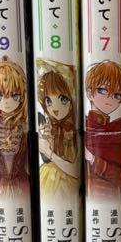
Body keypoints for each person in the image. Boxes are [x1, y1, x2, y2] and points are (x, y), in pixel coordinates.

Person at [84, 60, 121, 198]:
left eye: (116, 95)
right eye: (102, 90)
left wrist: (92, 159)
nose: (109, 98)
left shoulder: (119, 131)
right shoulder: (82, 126)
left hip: (110, 196)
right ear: (89, 92)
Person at [36, 61, 80, 199]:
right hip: (48, 181)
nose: (54, 108)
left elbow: (75, 170)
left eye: (63, 99)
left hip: (67, 185)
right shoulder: (49, 126)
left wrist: (48, 152)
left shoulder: (73, 131)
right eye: (48, 101)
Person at [0, 56, 29, 191]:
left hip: (22, 187)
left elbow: (28, 166)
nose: (6, 102)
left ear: (22, 96)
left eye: (14, 95)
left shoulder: (25, 127)